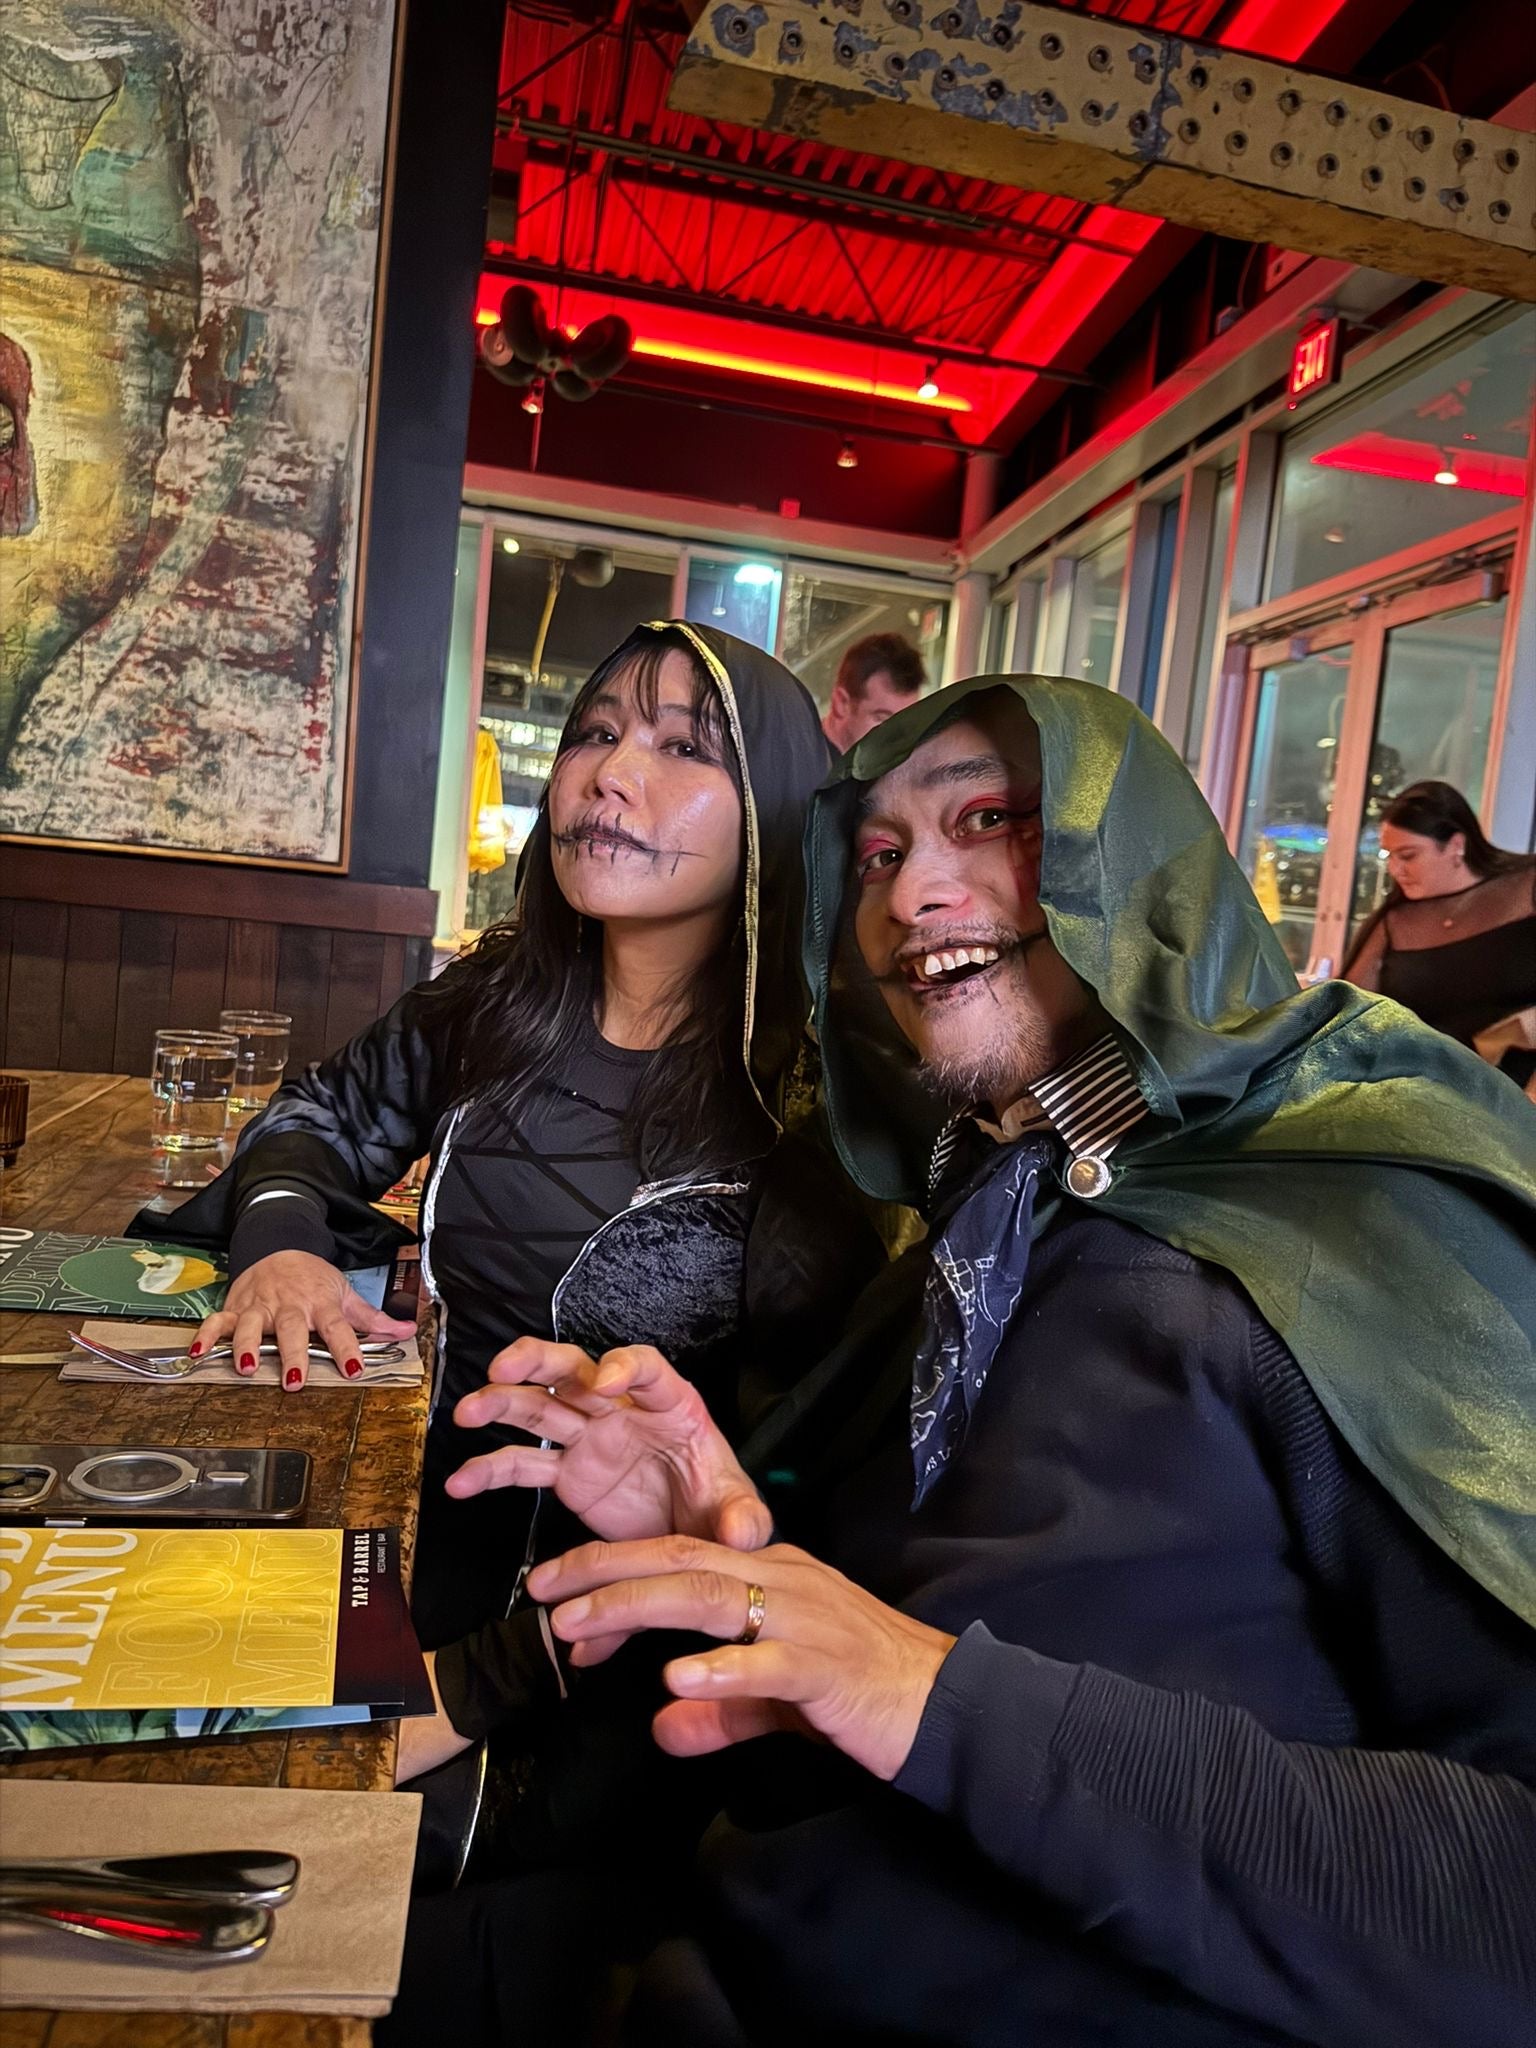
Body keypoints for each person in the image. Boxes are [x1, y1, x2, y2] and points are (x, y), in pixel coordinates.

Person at [452, 676, 1536, 2048]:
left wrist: (937, 1699)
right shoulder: (994, 1213)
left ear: (1138, 865)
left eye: (990, 821)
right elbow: (917, 1641)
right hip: (720, 1940)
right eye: (880, 855)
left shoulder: (1359, 1230)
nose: (913, 895)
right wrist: (727, 1535)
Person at [148, 621, 877, 1648]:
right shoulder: (498, 1002)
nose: (610, 774)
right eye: (596, 733)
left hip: (608, 1653)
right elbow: (319, 1114)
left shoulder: (805, 1110)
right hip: (390, 1560)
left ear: (777, 807)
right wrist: (281, 1245)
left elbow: (813, 1479)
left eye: (682, 746)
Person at [1344, 779, 1536, 1081]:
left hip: (1520, 1093)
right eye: (1389, 856)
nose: (1395, 869)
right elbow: (1347, 1017)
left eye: (1408, 855)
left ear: (1457, 845)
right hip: (1421, 1093)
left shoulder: (1527, 887)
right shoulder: (1394, 922)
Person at [820, 630, 925, 753]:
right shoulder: (804, 757)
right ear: (841, 703)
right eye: (884, 721)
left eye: (905, 728)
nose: (897, 740)